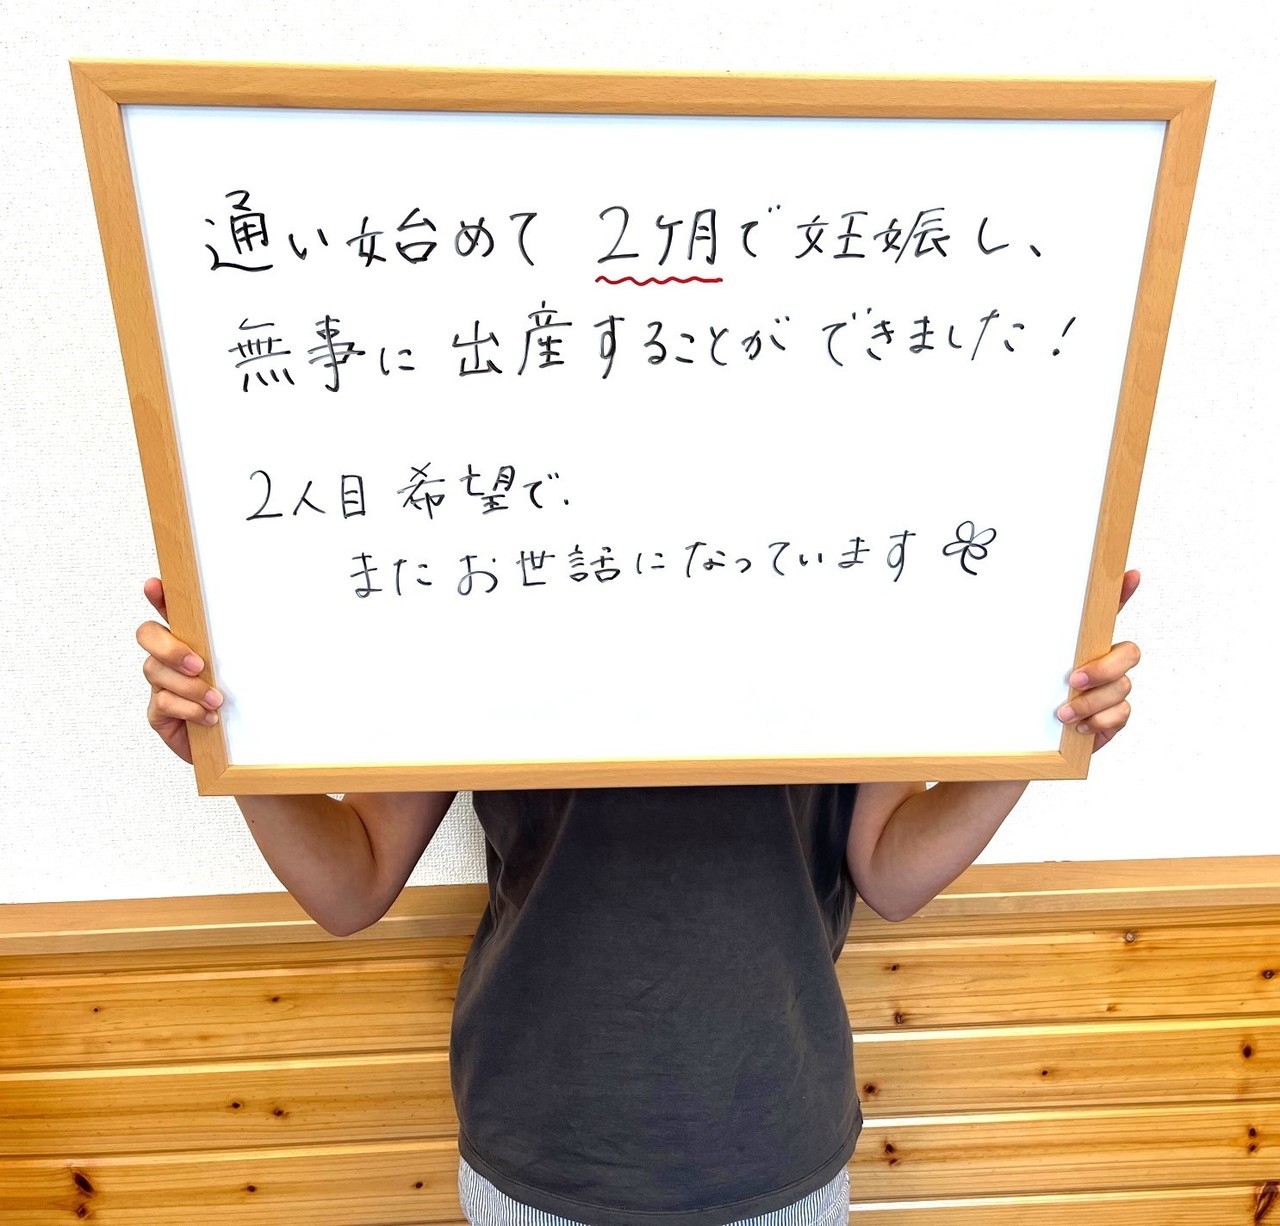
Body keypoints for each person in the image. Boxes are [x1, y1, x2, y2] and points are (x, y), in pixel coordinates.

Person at [137, 570, 1142, 1226]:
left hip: (772, 1146)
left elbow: (889, 868)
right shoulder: (480, 572)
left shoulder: (846, 572)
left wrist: (1044, 733)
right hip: (542, 1151)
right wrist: (227, 743)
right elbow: (351, 880)